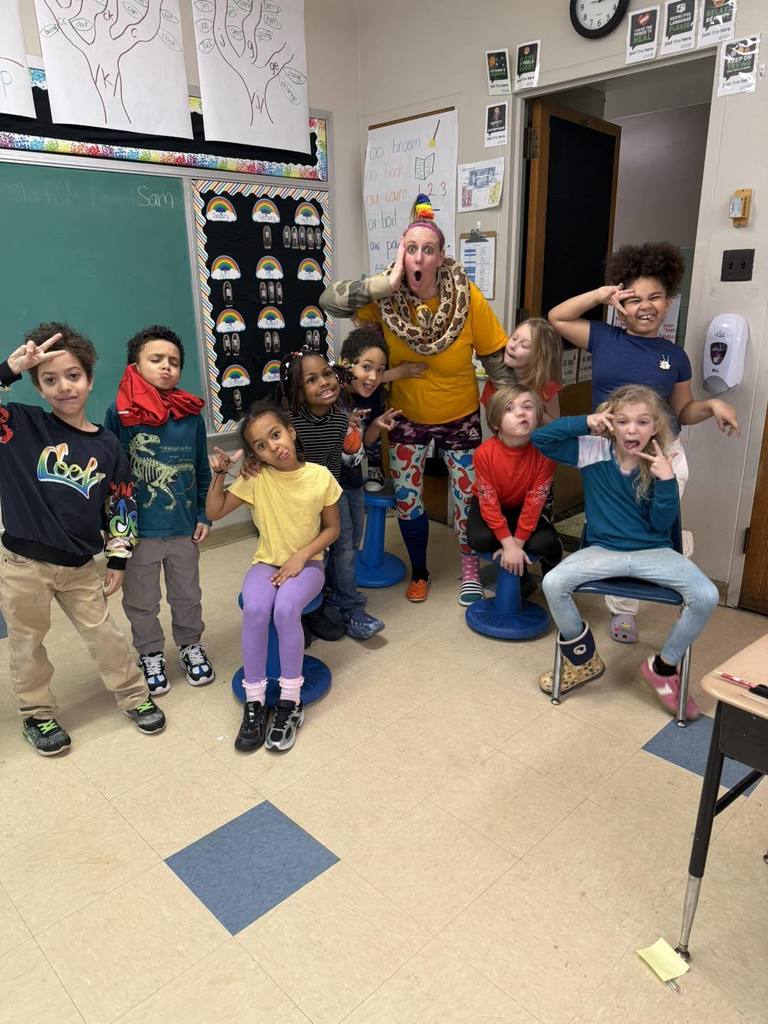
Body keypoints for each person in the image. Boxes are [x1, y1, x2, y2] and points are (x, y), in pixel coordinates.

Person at [320, 194, 509, 605]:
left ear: (441, 257)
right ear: (401, 255)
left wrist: (512, 417)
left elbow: (496, 361)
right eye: (411, 249)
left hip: (460, 415)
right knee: (407, 499)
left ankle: (469, 569)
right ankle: (420, 570)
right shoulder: (386, 299)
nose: (419, 256)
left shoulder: (468, 298)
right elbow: (328, 302)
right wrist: (383, 285)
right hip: (404, 416)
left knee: (466, 499)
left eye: (428, 249)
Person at [548, 241, 739, 644]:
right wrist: (603, 295)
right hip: (610, 452)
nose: (645, 306)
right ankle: (623, 612)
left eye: (655, 297)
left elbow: (683, 411)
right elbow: (558, 317)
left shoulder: (675, 356)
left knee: (654, 522)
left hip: (662, 454)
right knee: (618, 523)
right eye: (635, 299)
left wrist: (715, 405)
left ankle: (670, 550)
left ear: (669, 302)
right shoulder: (604, 337)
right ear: (622, 302)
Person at [0, 324, 166, 756]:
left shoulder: (109, 446)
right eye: (50, 380)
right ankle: (37, 714)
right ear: (37, 387)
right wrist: (10, 369)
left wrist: (118, 558)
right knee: (27, 644)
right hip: (23, 564)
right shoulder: (19, 425)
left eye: (73, 375)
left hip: (79, 566)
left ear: (90, 379)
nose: (63, 387)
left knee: (106, 636)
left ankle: (133, 694)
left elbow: (122, 505)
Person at [531, 384, 719, 719]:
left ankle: (663, 668)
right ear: (610, 423)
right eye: (623, 421)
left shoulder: (662, 461)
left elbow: (662, 524)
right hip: (604, 550)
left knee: (705, 595)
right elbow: (540, 440)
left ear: (655, 427)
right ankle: (583, 659)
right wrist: (584, 422)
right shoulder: (593, 450)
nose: (632, 429)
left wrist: (665, 480)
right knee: (553, 583)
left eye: (642, 422)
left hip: (653, 552)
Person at [206, 401, 341, 753]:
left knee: (284, 610)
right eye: (261, 445)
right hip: (266, 563)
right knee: (255, 608)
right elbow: (214, 510)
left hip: (309, 565)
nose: (273, 447)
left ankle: (290, 703)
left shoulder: (319, 476)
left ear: (291, 431)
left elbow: (333, 530)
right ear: (256, 454)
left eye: (276, 435)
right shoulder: (257, 478)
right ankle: (254, 702)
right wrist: (221, 473)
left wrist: (302, 555)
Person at [104, 325, 214, 695]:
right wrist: (117, 532)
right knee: (141, 600)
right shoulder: (119, 414)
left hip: (183, 528)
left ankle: (190, 644)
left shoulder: (191, 415)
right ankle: (150, 652)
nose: (166, 367)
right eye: (156, 359)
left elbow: (200, 468)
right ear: (134, 365)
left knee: (187, 594)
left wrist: (202, 513)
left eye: (174, 362)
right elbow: (113, 478)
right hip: (139, 533)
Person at [278, 348, 386, 640]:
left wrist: (355, 441)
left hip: (332, 498)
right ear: (297, 390)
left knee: (344, 550)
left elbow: (347, 462)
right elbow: (270, 454)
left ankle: (349, 606)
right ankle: (308, 610)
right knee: (311, 557)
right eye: (312, 379)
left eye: (327, 374)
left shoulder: (340, 421)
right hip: (299, 505)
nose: (324, 382)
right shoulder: (289, 425)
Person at [467, 385, 561, 590]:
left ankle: (549, 569)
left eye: (527, 407)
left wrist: (515, 545)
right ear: (494, 422)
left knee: (544, 542)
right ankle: (521, 573)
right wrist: (508, 544)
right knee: (479, 539)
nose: (520, 413)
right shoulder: (484, 453)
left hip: (524, 507)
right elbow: (488, 502)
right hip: (493, 505)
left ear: (537, 416)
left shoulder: (545, 453)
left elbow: (534, 503)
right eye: (509, 409)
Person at [480, 317, 562, 422]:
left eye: (524, 345)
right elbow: (494, 424)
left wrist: (530, 409)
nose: (513, 346)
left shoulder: (546, 385)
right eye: (514, 338)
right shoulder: (492, 387)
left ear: (539, 356)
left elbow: (555, 425)